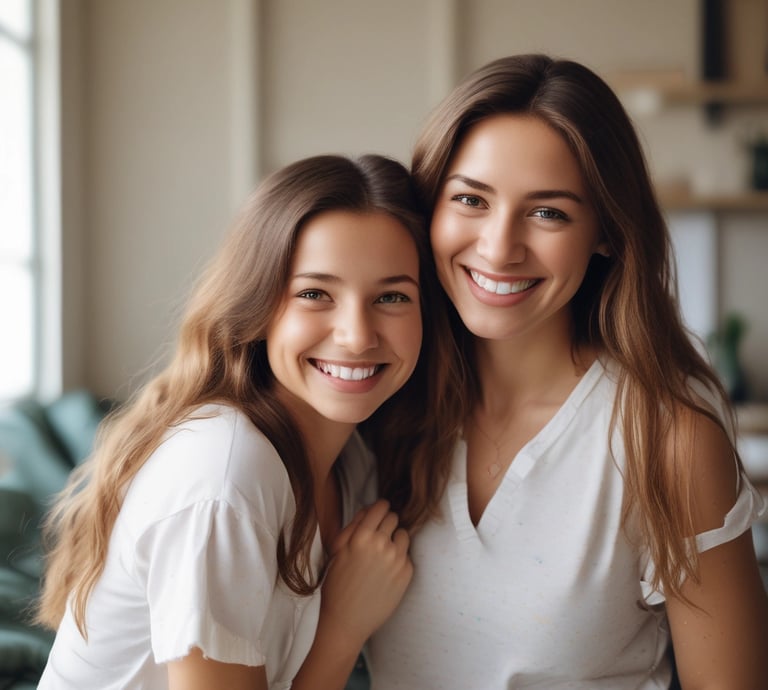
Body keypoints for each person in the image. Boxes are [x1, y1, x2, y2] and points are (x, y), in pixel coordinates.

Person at [367, 54, 768, 689]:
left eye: (548, 212)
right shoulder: (377, 405)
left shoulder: (667, 438)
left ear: (606, 231)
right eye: (471, 199)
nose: (499, 247)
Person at [35, 153, 459, 690]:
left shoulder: (352, 460)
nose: (357, 334)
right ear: (259, 307)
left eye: (392, 296)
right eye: (314, 294)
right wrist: (342, 628)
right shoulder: (225, 477)